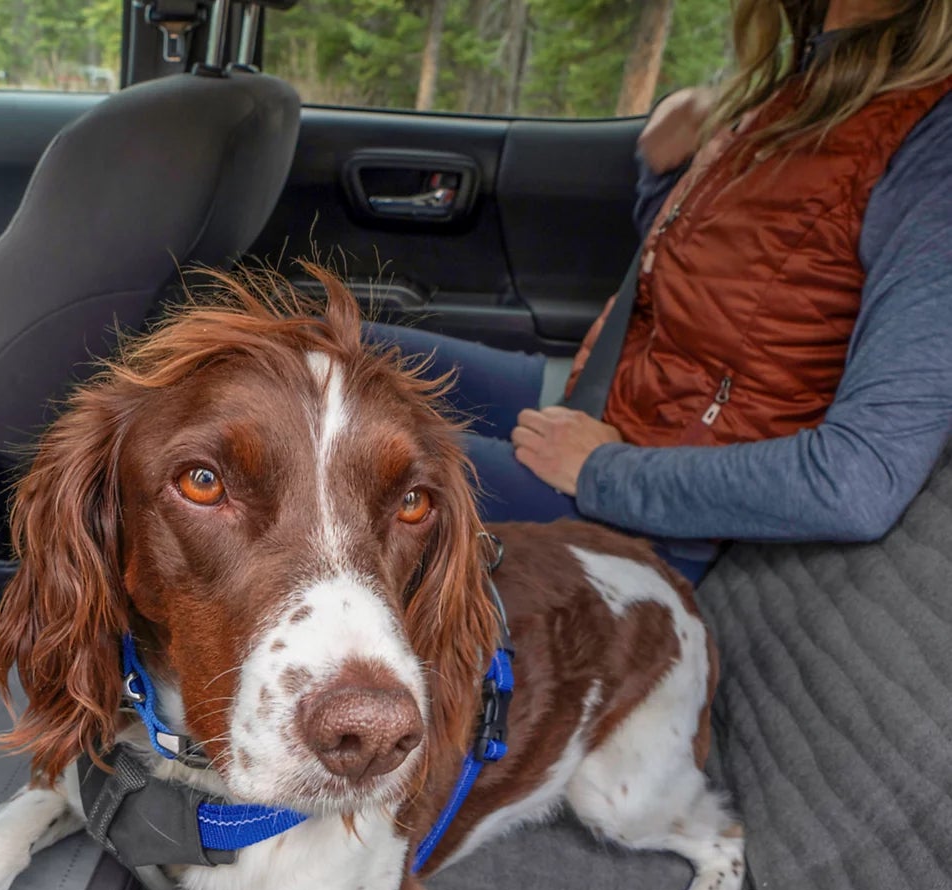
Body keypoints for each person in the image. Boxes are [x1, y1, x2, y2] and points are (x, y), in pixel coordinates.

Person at [373, 0, 952, 583]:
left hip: (660, 511)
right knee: (339, 351)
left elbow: (860, 479)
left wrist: (604, 471)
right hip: (619, 397)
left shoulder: (932, 144)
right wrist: (668, 167)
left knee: (347, 462)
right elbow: (695, 283)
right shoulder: (805, 81)